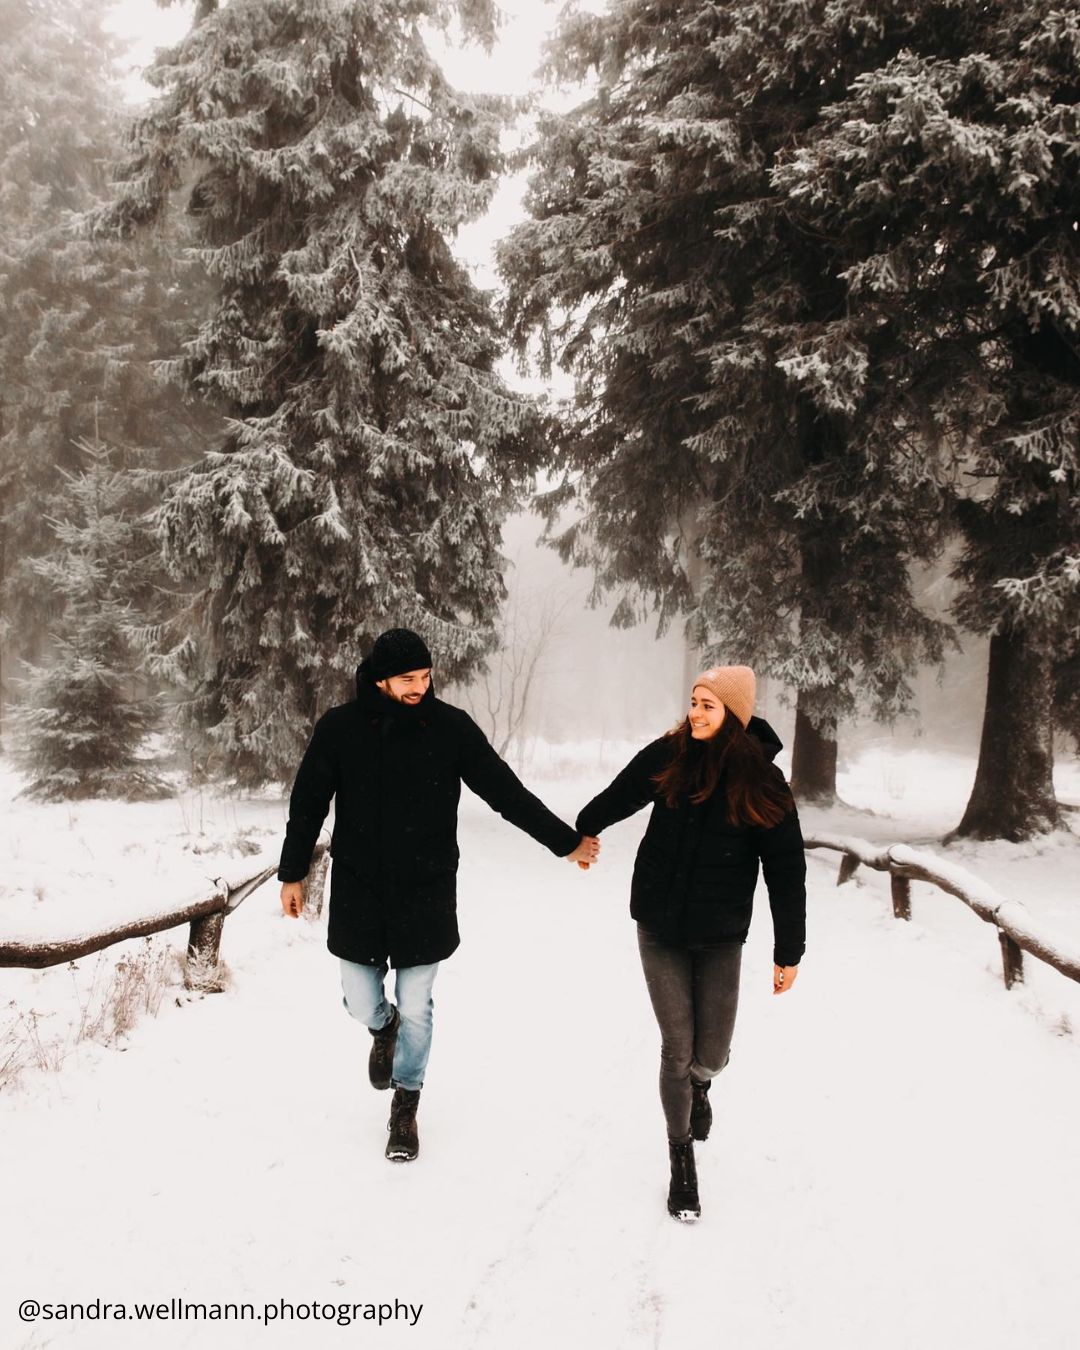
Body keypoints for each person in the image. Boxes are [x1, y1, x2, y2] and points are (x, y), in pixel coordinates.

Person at [278, 627, 599, 1162]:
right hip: (359, 886)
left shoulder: (449, 728)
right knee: (360, 997)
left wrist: (564, 843)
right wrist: (293, 873)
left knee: (419, 1005)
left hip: (425, 888)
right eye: (409, 679)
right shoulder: (340, 729)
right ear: (380, 679)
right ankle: (383, 1027)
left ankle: (406, 1102)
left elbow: (504, 791)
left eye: (427, 677)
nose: (421, 688)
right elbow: (307, 803)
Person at [575, 665, 805, 1221]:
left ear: (735, 714)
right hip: (658, 926)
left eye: (709, 705)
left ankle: (702, 1085)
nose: (696, 713)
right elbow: (618, 797)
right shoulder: (668, 755)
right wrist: (581, 832)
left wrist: (788, 950)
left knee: (712, 1053)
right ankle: (680, 1159)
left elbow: (785, 869)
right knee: (676, 1046)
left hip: (720, 934)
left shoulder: (762, 781)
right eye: (694, 702)